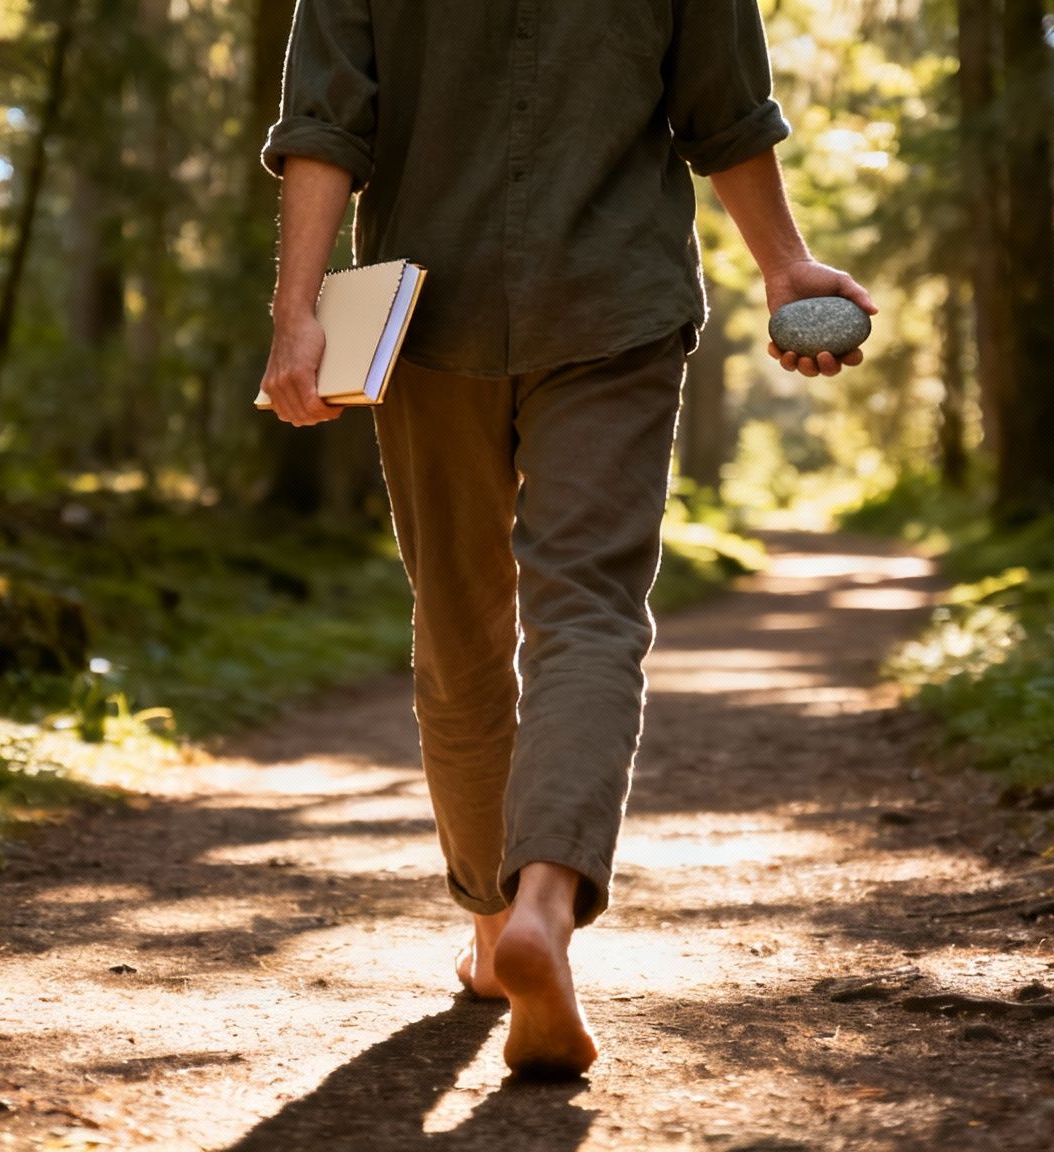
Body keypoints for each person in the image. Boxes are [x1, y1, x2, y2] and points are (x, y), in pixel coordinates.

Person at [256, 0, 873, 1077]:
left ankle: (493, 931)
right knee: (587, 610)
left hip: (422, 312)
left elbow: (324, 123)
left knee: (459, 624)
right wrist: (784, 265)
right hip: (614, 301)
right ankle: (544, 900)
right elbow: (725, 111)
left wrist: (295, 313)